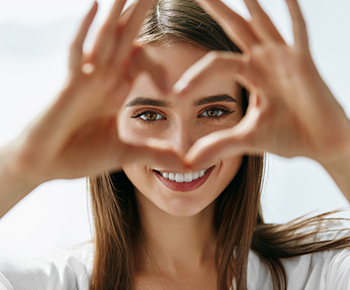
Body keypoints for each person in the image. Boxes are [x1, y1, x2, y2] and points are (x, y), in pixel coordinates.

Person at [0, 0, 350, 289]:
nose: (182, 146)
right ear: (109, 122)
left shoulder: (321, 275)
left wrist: (341, 151)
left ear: (248, 115)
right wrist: (19, 167)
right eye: (150, 115)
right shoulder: (44, 283)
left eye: (213, 111)